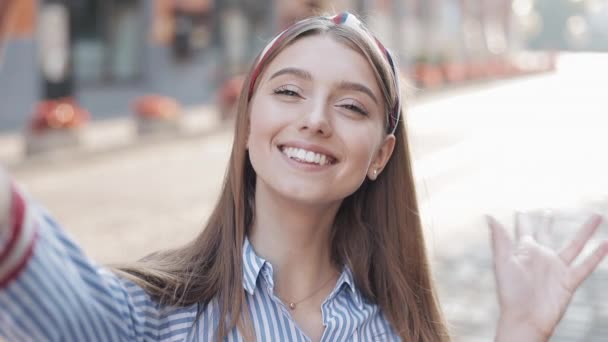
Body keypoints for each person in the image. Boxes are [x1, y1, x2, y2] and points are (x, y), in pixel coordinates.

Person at [1, 12, 607, 342]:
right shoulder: (148, 317)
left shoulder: (402, 332)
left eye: (351, 107)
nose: (314, 120)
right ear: (247, 124)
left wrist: (522, 332)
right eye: (289, 92)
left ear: (380, 154)